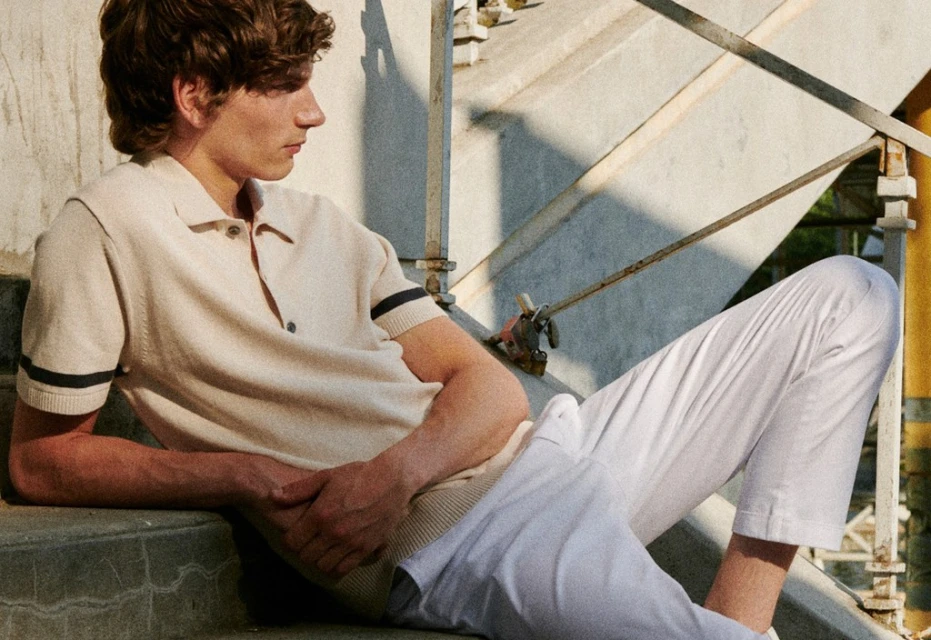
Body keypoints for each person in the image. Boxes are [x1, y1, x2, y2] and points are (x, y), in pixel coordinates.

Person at [9, 1, 899, 638]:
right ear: (195, 93)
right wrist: (241, 475)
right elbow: (41, 460)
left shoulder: (322, 224)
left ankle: (738, 617)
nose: (314, 111)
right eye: (282, 88)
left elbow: (488, 387)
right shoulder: (108, 228)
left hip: (553, 455)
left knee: (851, 296)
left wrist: (395, 473)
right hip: (470, 544)